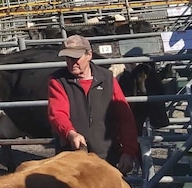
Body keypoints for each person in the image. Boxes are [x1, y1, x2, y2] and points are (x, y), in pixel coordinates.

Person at [47, 35, 138, 174]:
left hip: (107, 154)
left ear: (89, 55)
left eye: (76, 58)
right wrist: (70, 133)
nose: (71, 62)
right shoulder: (58, 81)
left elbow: (124, 117)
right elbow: (57, 113)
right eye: (67, 58)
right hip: (72, 155)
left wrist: (128, 151)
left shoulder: (107, 78)